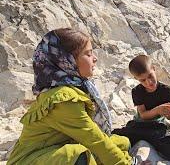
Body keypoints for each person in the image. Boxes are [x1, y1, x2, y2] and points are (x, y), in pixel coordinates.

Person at [7, 28, 138, 165]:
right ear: (67, 60)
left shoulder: (73, 88)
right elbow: (95, 140)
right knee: (77, 155)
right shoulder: (62, 99)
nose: (95, 58)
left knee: (122, 142)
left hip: (55, 150)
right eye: (88, 54)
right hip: (31, 160)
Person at [112, 55, 170, 165]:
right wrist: (158, 110)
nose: (149, 82)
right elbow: (143, 115)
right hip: (140, 125)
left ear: (154, 68)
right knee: (116, 136)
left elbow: (168, 117)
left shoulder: (166, 90)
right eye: (143, 80)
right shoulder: (137, 91)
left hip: (157, 127)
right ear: (137, 80)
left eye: (150, 76)